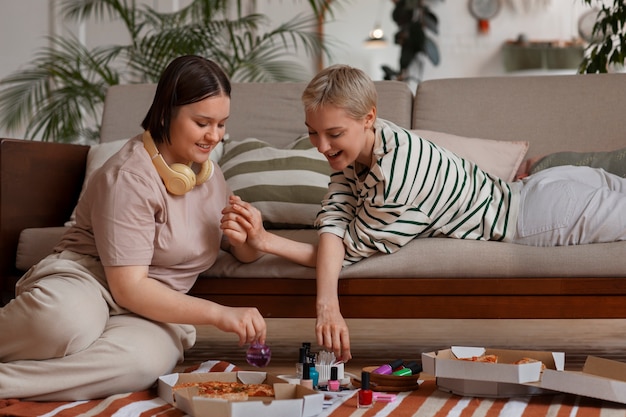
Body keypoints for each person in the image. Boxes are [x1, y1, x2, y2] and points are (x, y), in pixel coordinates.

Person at [221, 63, 626, 363]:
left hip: (541, 215)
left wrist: (266, 244)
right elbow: (335, 214)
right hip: (545, 186)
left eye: (334, 134)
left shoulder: (396, 178)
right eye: (313, 131)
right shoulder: (373, 145)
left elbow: (345, 247)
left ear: (368, 118)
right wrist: (271, 251)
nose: (321, 145)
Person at [0, 55, 266, 401]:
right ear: (167, 113)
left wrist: (247, 238)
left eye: (221, 124)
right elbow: (130, 288)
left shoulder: (208, 174)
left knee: (142, 363)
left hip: (156, 310)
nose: (213, 136)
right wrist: (218, 314)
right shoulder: (128, 175)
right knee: (65, 323)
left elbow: (240, 249)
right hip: (91, 282)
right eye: (202, 123)